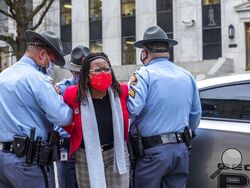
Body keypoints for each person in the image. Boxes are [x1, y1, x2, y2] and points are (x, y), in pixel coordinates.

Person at [127, 25, 202, 188]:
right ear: (167, 50)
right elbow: (195, 115)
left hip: (153, 152)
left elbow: (132, 109)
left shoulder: (143, 74)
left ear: (145, 53)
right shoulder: (187, 75)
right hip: (181, 149)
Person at [0, 30, 73, 188]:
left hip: (3, 158)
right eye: (51, 61)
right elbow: (63, 117)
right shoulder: (38, 79)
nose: (51, 66)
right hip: (29, 163)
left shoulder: (3, 76)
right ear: (42, 55)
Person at [63, 52, 130, 188]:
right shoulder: (72, 94)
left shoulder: (121, 91)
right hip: (85, 155)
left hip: (115, 153)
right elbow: (65, 121)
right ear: (86, 75)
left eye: (107, 69)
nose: (104, 73)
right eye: (98, 70)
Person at [56, 45, 90, 188]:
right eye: (77, 73)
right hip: (67, 145)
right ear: (71, 71)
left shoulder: (97, 90)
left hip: (89, 145)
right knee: (67, 183)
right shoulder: (61, 89)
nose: (80, 76)